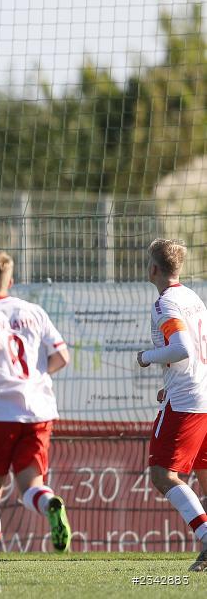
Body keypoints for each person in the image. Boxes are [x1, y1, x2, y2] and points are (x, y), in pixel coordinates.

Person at [0, 251, 71, 593]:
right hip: (38, 411)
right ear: (12, 281)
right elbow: (61, 356)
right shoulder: (33, 311)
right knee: (31, 485)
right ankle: (50, 503)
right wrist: (34, 378)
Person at [136, 239, 207, 572]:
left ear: (153, 268)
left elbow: (180, 349)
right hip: (202, 393)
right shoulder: (193, 297)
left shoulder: (165, 303)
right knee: (204, 476)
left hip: (187, 401)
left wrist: (147, 358)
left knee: (163, 474)